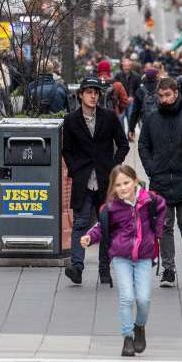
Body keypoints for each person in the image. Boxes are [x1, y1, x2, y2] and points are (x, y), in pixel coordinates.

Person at [79, 165, 167, 357]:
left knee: (143, 299)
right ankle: (127, 337)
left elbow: (162, 207)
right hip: (121, 257)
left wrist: (157, 232)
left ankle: (139, 326)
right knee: (126, 297)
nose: (123, 188)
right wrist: (89, 237)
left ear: (135, 181)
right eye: (118, 185)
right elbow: (101, 227)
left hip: (144, 257)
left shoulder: (149, 200)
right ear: (113, 187)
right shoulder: (111, 207)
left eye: (126, 182)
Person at [137, 77, 182, 286]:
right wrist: (151, 168)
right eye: (161, 96)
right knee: (164, 225)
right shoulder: (152, 118)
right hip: (160, 180)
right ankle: (168, 269)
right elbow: (143, 145)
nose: (164, 99)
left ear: (176, 93)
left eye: (168, 95)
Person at [62, 76, 130, 286]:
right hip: (83, 180)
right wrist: (75, 169)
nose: (93, 96)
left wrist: (114, 166)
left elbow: (123, 144)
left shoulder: (109, 117)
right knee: (80, 223)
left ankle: (104, 269)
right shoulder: (71, 120)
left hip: (105, 180)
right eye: (89, 92)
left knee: (106, 225)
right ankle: (77, 266)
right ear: (80, 95)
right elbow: (67, 150)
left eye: (96, 93)